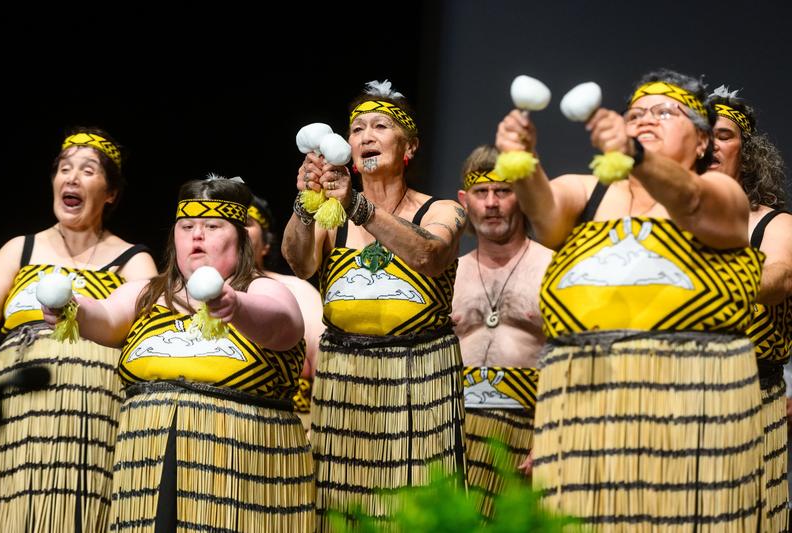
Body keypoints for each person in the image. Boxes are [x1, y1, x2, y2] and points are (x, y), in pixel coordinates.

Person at [496, 69, 764, 530]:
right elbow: (545, 214)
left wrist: (634, 154)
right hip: (584, 403)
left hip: (685, 406)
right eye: (636, 113)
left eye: (666, 112)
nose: (647, 120)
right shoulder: (591, 193)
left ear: (702, 143)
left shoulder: (722, 193)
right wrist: (521, 158)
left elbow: (694, 203)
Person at [44, 176, 314, 531]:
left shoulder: (264, 289)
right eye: (187, 226)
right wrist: (71, 308)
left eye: (212, 226)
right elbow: (106, 318)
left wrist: (233, 303)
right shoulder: (147, 292)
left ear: (240, 238)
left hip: (241, 467)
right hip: (150, 460)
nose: (197, 235)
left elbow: (284, 325)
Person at [282, 79, 467, 528]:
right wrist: (307, 204)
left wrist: (358, 207)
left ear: (410, 147)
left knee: (416, 503)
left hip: (419, 377)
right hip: (345, 378)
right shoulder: (332, 217)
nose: (366, 135)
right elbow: (300, 262)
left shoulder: (439, 209)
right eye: (358, 127)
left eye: (380, 126)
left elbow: (428, 254)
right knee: (340, 506)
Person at [0, 128, 157, 532]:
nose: (72, 179)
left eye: (87, 171)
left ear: (111, 192)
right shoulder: (21, 249)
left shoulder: (132, 260)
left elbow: (147, 339)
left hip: (94, 412)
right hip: (19, 401)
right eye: (64, 169)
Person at [708, 86, 792, 532]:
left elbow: (778, 279)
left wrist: (704, 282)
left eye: (723, 135)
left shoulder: (777, 225)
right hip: (676, 395)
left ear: (747, 150)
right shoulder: (661, 221)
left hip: (751, 396)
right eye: (702, 135)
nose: (710, 145)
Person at [451, 145, 552, 518]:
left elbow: (570, 361)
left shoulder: (551, 269)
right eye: (481, 192)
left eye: (503, 191)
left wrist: (551, 437)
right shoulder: (449, 274)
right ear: (464, 200)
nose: (491, 203)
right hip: (457, 437)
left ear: (522, 196)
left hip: (528, 432)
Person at [246, 193, 325, 430]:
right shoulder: (175, 294)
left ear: (266, 245)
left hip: (288, 439)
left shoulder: (297, 292)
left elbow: (327, 370)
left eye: (245, 223)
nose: (234, 229)